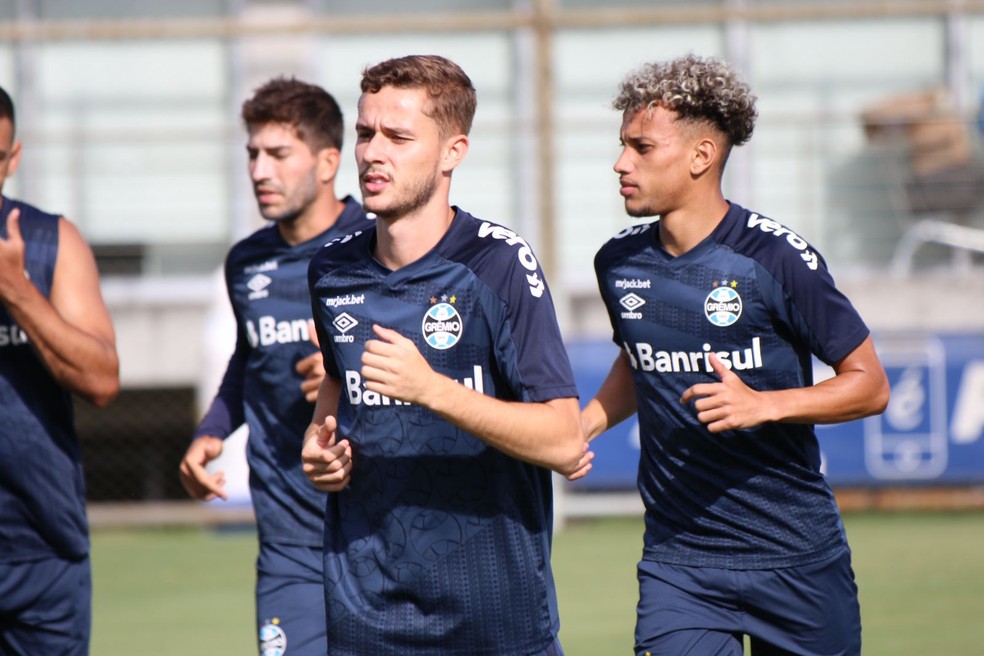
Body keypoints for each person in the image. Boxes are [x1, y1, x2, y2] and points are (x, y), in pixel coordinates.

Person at [580, 54, 890, 656]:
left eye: (642, 148)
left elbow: (870, 384)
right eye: (622, 145)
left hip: (795, 558)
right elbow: (638, 359)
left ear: (701, 156)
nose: (621, 163)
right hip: (680, 563)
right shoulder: (617, 264)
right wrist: (584, 424)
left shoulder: (775, 260)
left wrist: (765, 405)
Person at [301, 54, 585, 655]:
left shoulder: (498, 266)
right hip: (365, 620)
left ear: (453, 151)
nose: (373, 152)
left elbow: (564, 439)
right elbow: (338, 382)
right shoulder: (330, 269)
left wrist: (435, 391)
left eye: (399, 137)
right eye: (365, 133)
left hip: (494, 621)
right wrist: (320, 445)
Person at [178, 77, 369, 656]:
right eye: (253, 154)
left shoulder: (375, 248)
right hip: (288, 543)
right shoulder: (246, 262)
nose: (260, 170)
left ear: (329, 161)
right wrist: (211, 431)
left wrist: (344, 374)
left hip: (377, 534)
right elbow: (249, 358)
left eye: (279, 154)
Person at [0, 85, 120, 655]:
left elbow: (101, 380)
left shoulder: (51, 241)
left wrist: (18, 294)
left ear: (13, 158)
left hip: (42, 551)